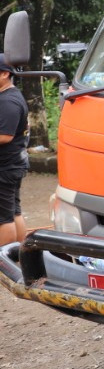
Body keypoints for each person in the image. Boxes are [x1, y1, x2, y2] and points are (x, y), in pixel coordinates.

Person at [0, 56, 30, 247]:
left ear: (4, 74)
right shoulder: (9, 96)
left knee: (3, 218)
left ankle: (3, 266)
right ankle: (19, 255)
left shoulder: (7, 102)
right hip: (13, 165)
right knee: (14, 211)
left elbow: (5, 136)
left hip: (5, 168)